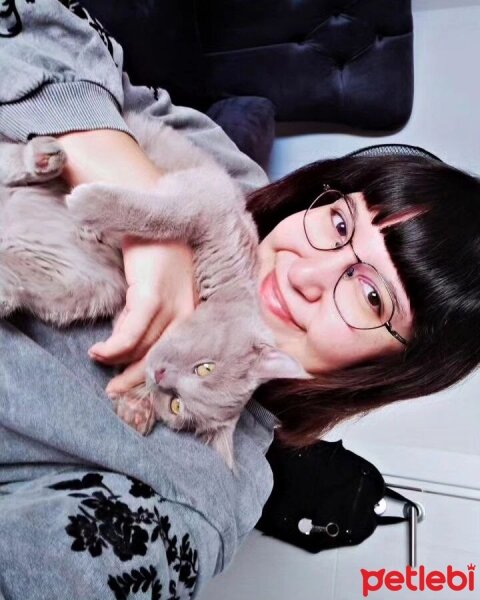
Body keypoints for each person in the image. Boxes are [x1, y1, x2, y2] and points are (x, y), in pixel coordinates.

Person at [0, 2, 479, 599]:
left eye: (368, 293)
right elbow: (31, 20)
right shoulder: (228, 171)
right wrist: (136, 191)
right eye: (337, 224)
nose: (309, 272)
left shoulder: (192, 502)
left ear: (384, 369)